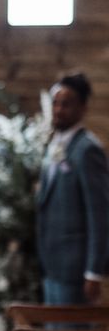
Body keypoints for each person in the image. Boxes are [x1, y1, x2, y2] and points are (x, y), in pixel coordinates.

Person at [37, 72, 109, 307]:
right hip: (51, 264)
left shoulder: (87, 150)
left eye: (66, 104)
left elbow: (99, 215)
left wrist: (93, 272)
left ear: (82, 108)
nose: (58, 110)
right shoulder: (53, 145)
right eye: (55, 103)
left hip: (75, 268)